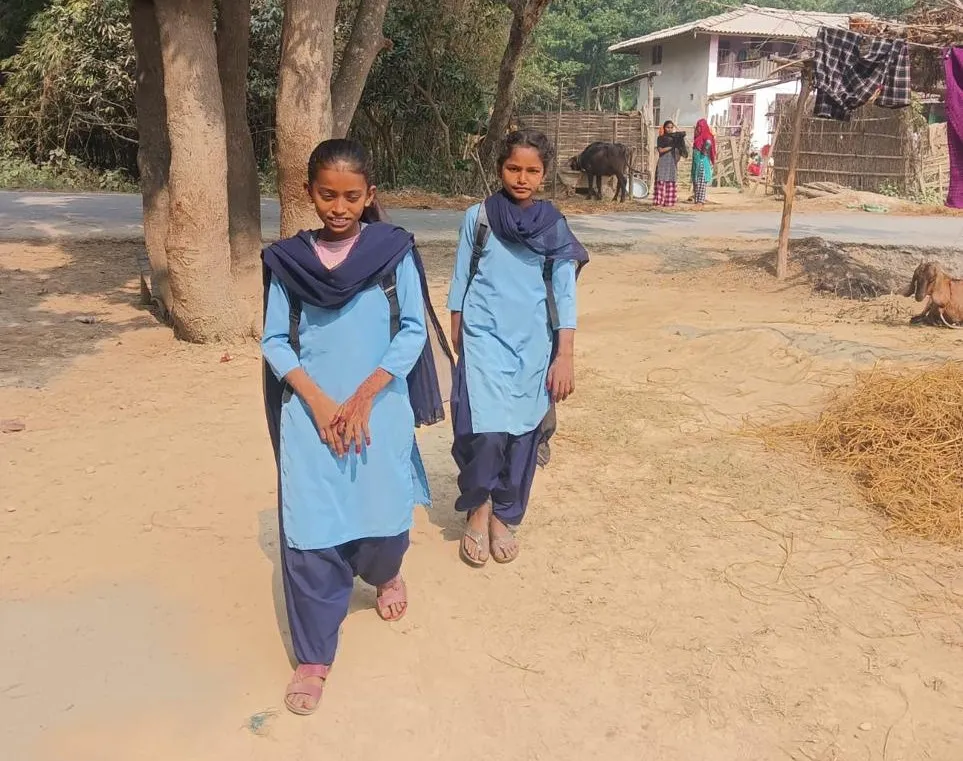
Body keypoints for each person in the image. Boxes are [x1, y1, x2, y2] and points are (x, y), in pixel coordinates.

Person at [261, 139, 450, 715]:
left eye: (350, 196)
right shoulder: (288, 263)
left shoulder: (393, 253)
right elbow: (274, 340)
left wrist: (365, 397)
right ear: (307, 193)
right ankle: (315, 655)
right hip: (312, 419)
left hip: (379, 414)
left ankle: (385, 575)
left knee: (382, 521)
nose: (338, 208)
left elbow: (413, 330)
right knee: (311, 529)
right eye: (326, 195)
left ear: (370, 196)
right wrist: (320, 405)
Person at [447, 129, 588, 567]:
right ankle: (478, 507)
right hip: (483, 337)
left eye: (532, 170)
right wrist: (458, 326)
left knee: (522, 433)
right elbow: (460, 277)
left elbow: (564, 294)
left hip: (534, 344)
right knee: (485, 430)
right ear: (498, 169)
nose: (521, 178)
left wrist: (564, 355)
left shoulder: (554, 226)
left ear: (545, 174)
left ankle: (505, 514)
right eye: (513, 168)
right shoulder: (480, 218)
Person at [653, 120, 682, 208]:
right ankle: (659, 202)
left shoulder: (675, 138)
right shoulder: (660, 138)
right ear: (664, 128)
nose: (669, 129)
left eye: (671, 127)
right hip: (663, 161)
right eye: (667, 127)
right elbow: (660, 150)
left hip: (672, 161)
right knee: (661, 179)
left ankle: (669, 202)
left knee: (671, 180)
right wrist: (671, 146)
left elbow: (680, 150)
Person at [691, 118, 716, 207]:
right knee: (696, 181)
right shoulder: (698, 137)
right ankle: (696, 200)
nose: (698, 128)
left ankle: (700, 201)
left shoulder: (707, 135)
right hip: (696, 161)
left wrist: (704, 151)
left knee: (701, 181)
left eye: (700, 126)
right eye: (698, 127)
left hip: (702, 161)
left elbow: (708, 143)